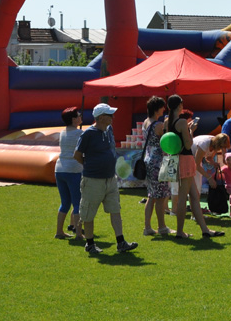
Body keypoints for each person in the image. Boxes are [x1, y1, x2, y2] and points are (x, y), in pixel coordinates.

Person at [73, 103, 138, 256]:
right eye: (109, 115)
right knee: (88, 213)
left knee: (115, 209)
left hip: (110, 179)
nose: (113, 117)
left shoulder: (109, 130)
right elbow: (77, 155)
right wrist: (90, 166)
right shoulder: (88, 134)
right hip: (93, 180)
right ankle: (90, 244)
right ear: (101, 117)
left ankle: (121, 242)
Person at [165, 95, 224, 239]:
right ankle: (180, 232)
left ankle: (205, 230)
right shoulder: (182, 122)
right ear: (179, 105)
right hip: (185, 160)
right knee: (183, 197)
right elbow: (188, 144)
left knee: (194, 197)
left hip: (177, 158)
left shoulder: (167, 122)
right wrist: (191, 130)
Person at [141, 96, 171, 236]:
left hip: (149, 159)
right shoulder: (158, 125)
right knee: (160, 196)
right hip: (158, 162)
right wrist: (166, 126)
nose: (164, 109)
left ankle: (147, 227)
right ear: (156, 109)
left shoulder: (146, 122)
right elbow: (166, 142)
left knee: (151, 195)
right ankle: (162, 227)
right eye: (162, 107)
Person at [54, 107, 84, 240]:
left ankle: (59, 231)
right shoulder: (79, 133)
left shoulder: (62, 132)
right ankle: (78, 233)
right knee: (77, 202)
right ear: (73, 119)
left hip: (60, 169)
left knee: (65, 203)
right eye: (78, 115)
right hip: (73, 169)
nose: (80, 116)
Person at [192, 132, 231, 204]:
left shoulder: (215, 144)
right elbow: (196, 165)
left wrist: (213, 163)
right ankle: (193, 209)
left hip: (195, 161)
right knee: (194, 187)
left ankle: (195, 209)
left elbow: (208, 158)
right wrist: (209, 178)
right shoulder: (204, 144)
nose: (222, 149)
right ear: (218, 144)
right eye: (222, 147)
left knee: (197, 188)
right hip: (188, 159)